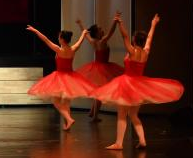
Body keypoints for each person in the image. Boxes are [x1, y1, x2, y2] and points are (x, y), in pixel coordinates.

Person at [90, 14, 183, 150]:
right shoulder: (145, 52)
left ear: (134, 40)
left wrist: (120, 23)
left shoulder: (132, 51)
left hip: (127, 85)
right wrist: (153, 24)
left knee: (122, 114)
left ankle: (119, 143)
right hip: (139, 86)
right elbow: (150, 38)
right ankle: (142, 140)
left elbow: (125, 37)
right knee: (133, 115)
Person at [26, 24, 96, 131]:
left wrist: (35, 31)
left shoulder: (59, 50)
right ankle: (67, 123)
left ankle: (69, 119)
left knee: (55, 101)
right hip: (71, 78)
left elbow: (45, 40)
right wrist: (83, 34)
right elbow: (80, 41)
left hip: (60, 78)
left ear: (62, 39)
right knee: (66, 103)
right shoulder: (73, 49)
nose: (58, 38)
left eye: (59, 37)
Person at [75, 15, 124, 122]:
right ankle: (95, 117)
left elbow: (86, 34)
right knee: (100, 93)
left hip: (97, 68)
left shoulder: (93, 42)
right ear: (97, 33)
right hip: (103, 69)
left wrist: (80, 24)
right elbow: (111, 33)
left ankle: (92, 112)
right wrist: (115, 22)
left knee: (98, 91)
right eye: (100, 29)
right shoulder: (102, 41)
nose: (102, 30)